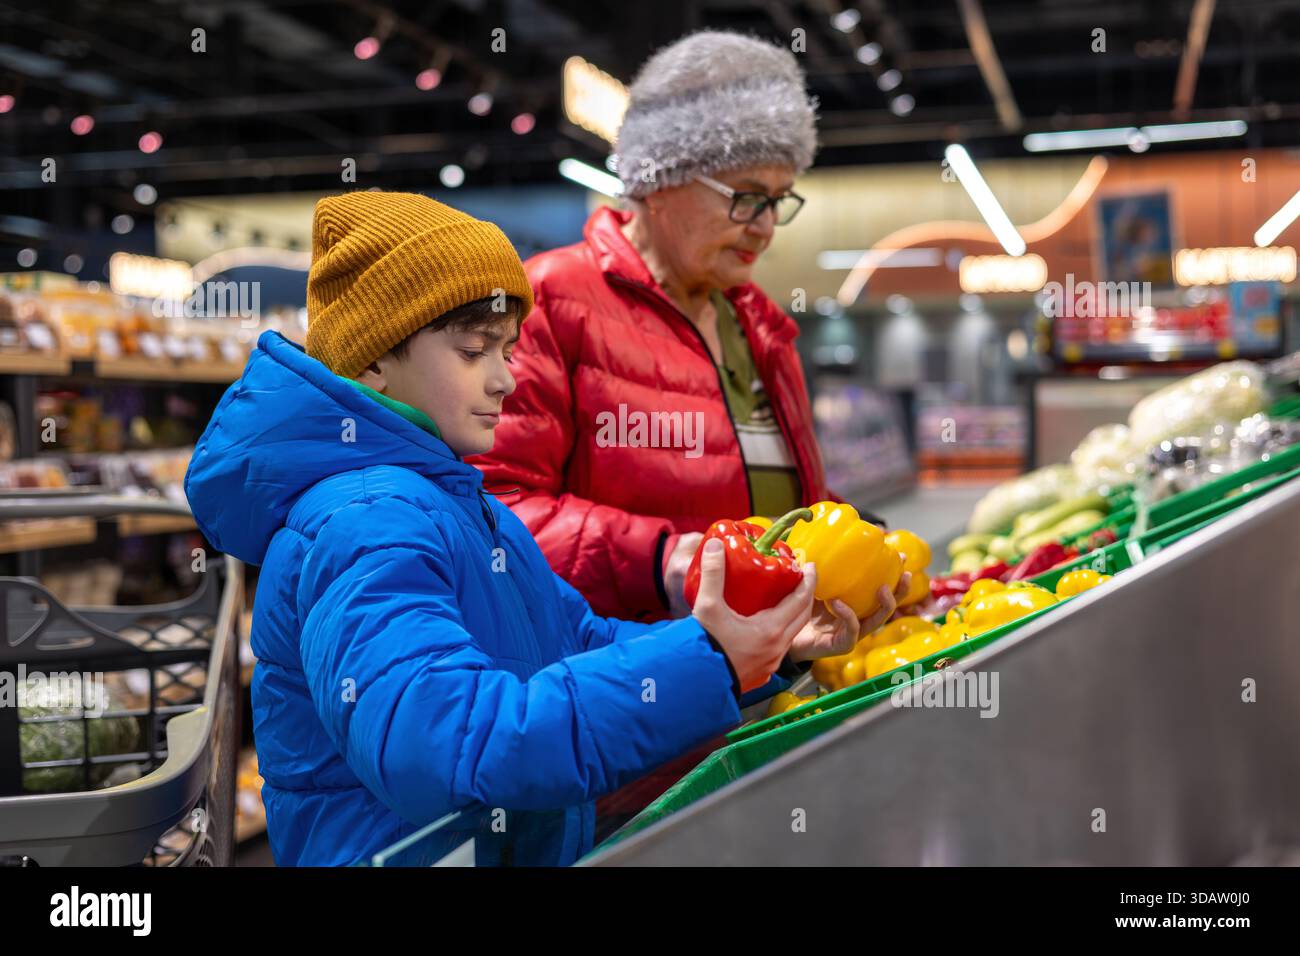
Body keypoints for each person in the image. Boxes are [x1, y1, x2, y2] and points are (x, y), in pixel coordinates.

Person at [183, 191, 866, 866]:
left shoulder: (458, 505)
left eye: (507, 350)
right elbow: (447, 742)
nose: (505, 379)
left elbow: (579, 640)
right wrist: (709, 659)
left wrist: (755, 650)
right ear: (374, 361)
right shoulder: (364, 521)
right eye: (475, 350)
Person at [471, 31, 901, 641]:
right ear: (661, 180)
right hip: (619, 686)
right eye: (748, 198)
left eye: (780, 201)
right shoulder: (552, 301)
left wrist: (849, 541)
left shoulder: (758, 323)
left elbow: (758, 486)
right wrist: (666, 561)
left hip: (765, 675)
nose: (767, 227)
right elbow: (494, 511)